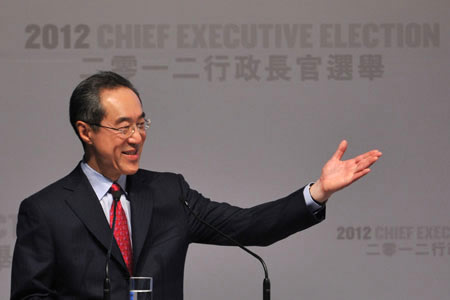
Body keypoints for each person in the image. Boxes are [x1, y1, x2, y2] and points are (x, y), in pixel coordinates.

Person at [10, 71, 381, 300]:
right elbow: (30, 297)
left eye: (141, 124)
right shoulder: (47, 210)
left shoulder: (169, 194)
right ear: (85, 131)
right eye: (123, 126)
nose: (136, 137)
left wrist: (318, 192)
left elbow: (249, 225)